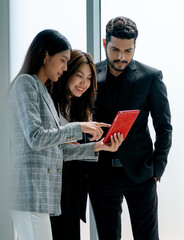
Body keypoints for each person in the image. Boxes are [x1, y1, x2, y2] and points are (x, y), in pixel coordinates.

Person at [8, 29, 122, 240]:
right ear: (45, 56)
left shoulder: (41, 89)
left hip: (40, 194)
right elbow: (36, 138)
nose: (65, 68)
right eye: (62, 60)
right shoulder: (26, 83)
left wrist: (98, 146)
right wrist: (78, 128)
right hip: (29, 191)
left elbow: (53, 149)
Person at [88, 16, 172, 240]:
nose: (121, 57)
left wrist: (157, 170)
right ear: (105, 44)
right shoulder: (90, 75)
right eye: (115, 50)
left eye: (128, 50)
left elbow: (164, 127)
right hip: (101, 174)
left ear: (135, 46)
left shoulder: (151, 77)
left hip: (141, 173)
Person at [48, 49, 123, 239]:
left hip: (72, 181)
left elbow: (72, 150)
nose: (84, 83)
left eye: (89, 78)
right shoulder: (49, 101)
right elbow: (51, 147)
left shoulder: (81, 106)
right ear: (67, 72)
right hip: (51, 182)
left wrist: (101, 146)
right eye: (79, 76)